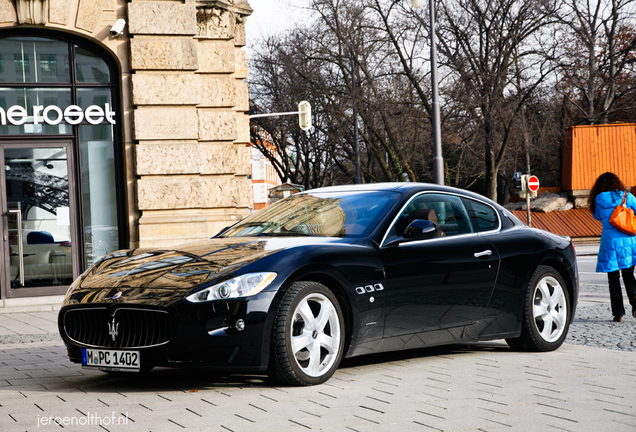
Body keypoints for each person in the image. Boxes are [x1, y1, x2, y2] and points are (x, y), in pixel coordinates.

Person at [588, 172, 636, 322]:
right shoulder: (628, 197)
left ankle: (618, 313)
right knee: (628, 275)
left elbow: (597, 216)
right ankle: (635, 298)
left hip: (609, 243)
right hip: (629, 241)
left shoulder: (599, 199)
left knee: (613, 279)